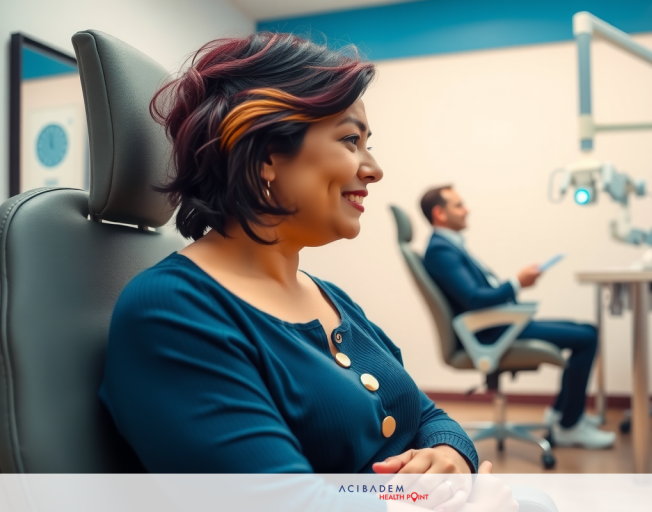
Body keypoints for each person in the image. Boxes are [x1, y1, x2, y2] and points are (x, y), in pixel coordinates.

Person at [98, 32, 517, 512]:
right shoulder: (172, 312)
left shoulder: (330, 297)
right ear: (266, 156)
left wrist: (449, 455)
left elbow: (427, 413)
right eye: (350, 140)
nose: (374, 169)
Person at [420, 185, 615, 449]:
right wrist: (517, 283)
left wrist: (515, 288)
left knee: (585, 329)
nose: (467, 210)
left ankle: (560, 414)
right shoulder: (440, 250)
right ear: (439, 214)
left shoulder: (450, 246)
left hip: (498, 324)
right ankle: (569, 425)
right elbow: (474, 299)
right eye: (459, 205)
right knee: (587, 337)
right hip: (491, 332)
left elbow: (479, 293)